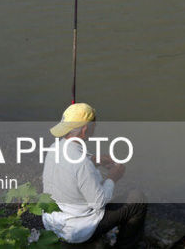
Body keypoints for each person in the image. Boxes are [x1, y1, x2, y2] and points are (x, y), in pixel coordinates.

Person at [41, 103, 147, 248]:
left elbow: (70, 169)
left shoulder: (54, 148)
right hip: (75, 231)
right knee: (137, 199)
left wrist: (93, 161)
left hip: (51, 221)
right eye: (94, 125)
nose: (95, 128)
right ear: (85, 130)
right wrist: (113, 178)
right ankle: (125, 245)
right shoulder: (82, 164)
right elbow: (99, 202)